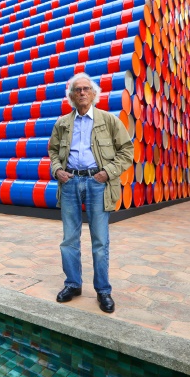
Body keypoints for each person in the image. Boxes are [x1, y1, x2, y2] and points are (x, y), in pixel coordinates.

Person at [48, 73, 134, 313]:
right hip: (70, 182)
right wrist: (57, 170)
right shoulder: (63, 123)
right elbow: (53, 151)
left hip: (99, 183)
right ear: (71, 96)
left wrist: (108, 172)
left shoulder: (109, 120)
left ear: (94, 94)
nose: (82, 93)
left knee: (100, 240)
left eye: (86, 89)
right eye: (78, 90)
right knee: (69, 240)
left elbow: (127, 150)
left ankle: (103, 291)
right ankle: (73, 284)